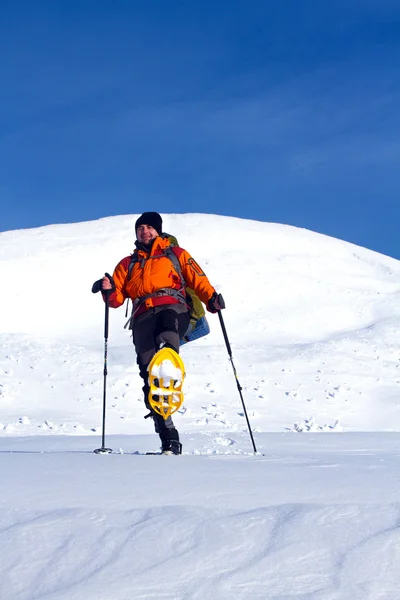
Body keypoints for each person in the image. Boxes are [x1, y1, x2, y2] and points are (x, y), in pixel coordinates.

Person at [93, 212, 224, 455]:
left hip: (173, 306)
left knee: (167, 326)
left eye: (149, 227)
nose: (144, 231)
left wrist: (212, 299)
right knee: (150, 378)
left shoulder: (175, 254)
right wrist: (108, 290)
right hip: (142, 315)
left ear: (159, 231)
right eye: (140, 228)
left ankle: (168, 357)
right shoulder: (126, 263)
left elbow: (198, 279)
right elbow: (117, 300)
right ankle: (169, 439)